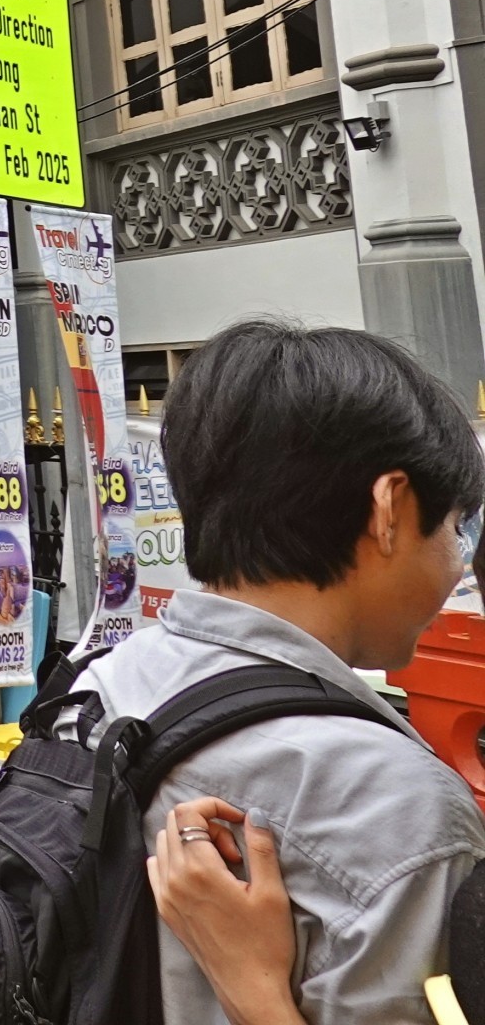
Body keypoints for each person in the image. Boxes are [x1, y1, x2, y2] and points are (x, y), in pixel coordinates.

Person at [84, 323, 485, 1025]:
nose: (461, 567)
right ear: (389, 510)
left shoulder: (94, 688)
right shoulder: (396, 807)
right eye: (458, 526)